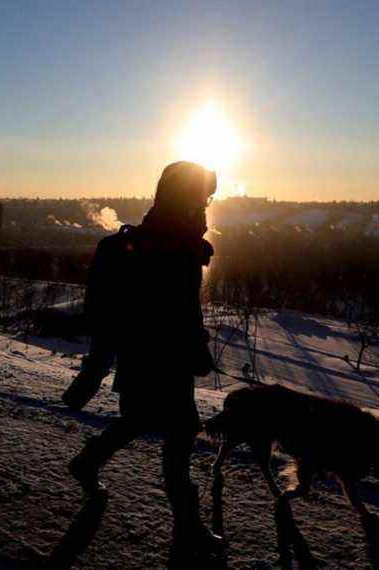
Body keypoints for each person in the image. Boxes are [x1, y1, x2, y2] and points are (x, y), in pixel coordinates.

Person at [68, 161, 224, 561]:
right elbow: (109, 314)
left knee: (143, 423)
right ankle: (188, 530)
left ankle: (88, 462)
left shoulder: (184, 245)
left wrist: (197, 346)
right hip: (145, 358)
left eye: (207, 198)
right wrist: (93, 372)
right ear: (180, 196)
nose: (204, 204)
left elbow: (185, 309)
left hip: (173, 359)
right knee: (177, 434)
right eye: (200, 196)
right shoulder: (140, 247)